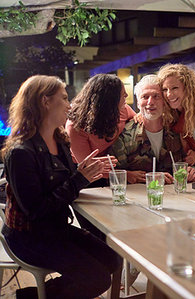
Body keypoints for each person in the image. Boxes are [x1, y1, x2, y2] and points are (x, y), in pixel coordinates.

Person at [1, 75, 122, 298]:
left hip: (55, 228)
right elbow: (36, 210)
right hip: (28, 236)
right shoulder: (20, 152)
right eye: (64, 98)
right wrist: (80, 179)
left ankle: (33, 295)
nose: (70, 104)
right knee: (98, 278)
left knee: (113, 259)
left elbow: (66, 184)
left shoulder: (60, 139)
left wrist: (86, 172)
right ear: (45, 102)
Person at [109, 74, 195, 183]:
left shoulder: (178, 131)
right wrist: (140, 177)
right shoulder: (124, 135)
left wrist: (192, 171)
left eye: (156, 96)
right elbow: (114, 174)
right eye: (145, 97)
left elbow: (192, 162)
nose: (150, 102)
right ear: (138, 103)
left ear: (165, 102)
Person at [65, 73, 136, 165]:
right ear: (109, 100)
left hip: (118, 165)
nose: (126, 95)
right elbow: (87, 166)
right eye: (122, 94)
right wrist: (126, 175)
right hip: (89, 173)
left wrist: (140, 117)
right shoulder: (76, 125)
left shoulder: (123, 109)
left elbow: (138, 122)